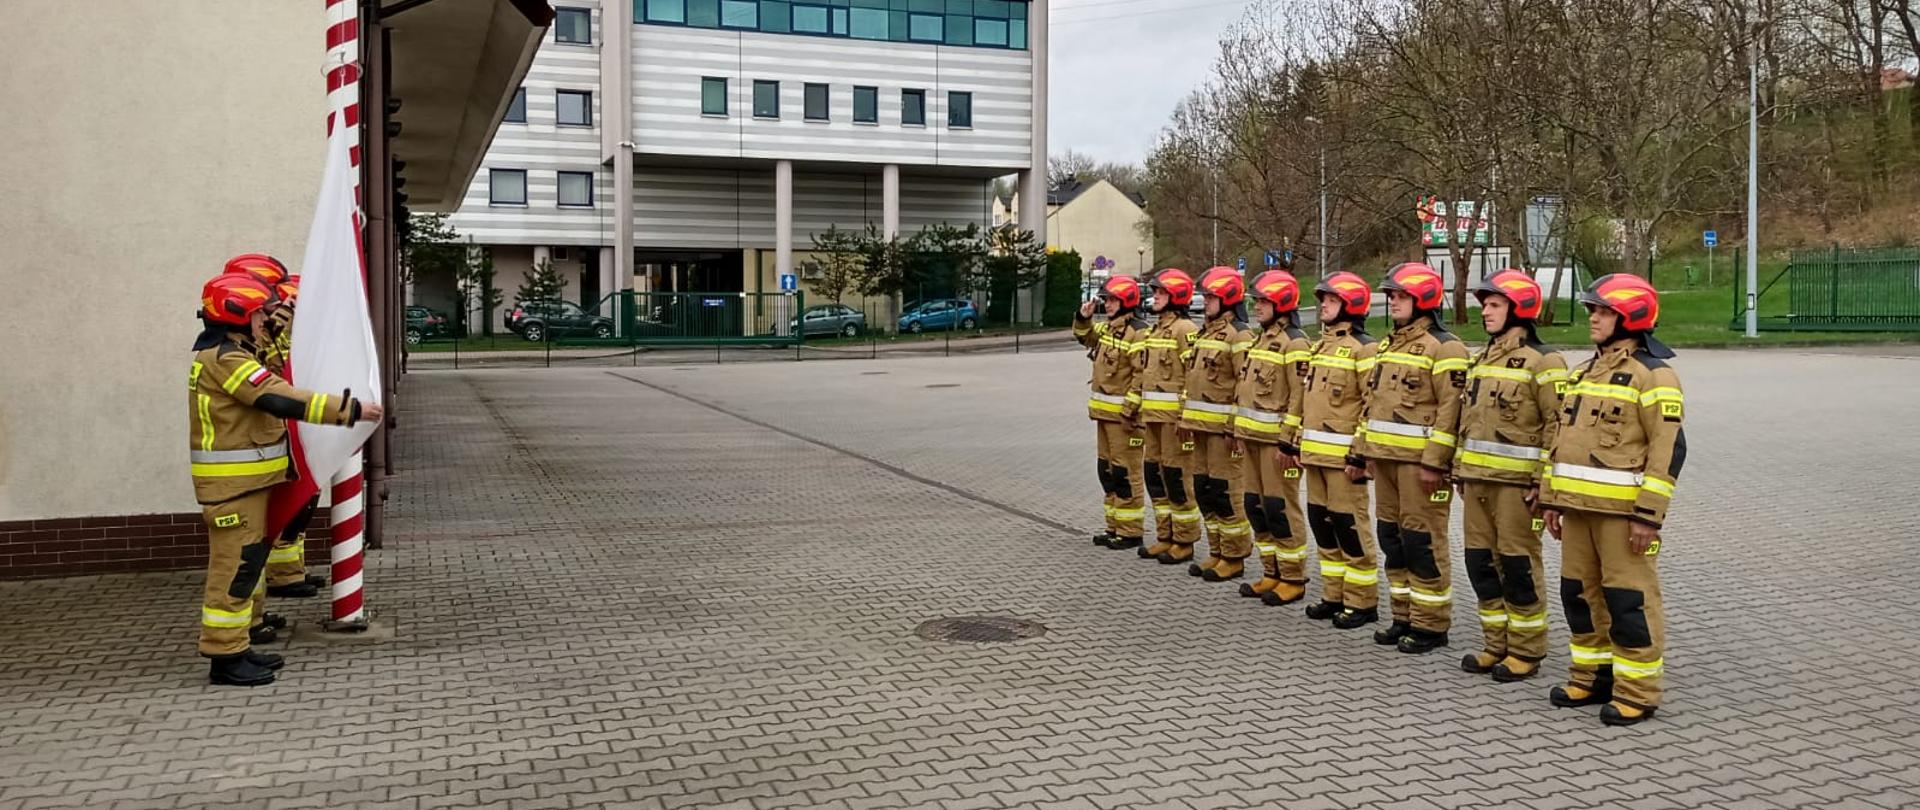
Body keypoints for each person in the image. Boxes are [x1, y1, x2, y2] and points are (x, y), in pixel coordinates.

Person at [189, 272, 381, 686]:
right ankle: (224, 657)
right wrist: (347, 411)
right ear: (236, 314)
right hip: (232, 489)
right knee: (233, 571)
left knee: (247, 566)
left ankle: (237, 646)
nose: (265, 320)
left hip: (245, 484)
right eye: (259, 314)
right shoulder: (226, 360)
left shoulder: (232, 353)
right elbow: (277, 396)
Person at [1540, 273, 1685, 726]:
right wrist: (1551, 499)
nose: (1593, 319)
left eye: (1602, 311)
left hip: (1623, 517)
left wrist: (1649, 517)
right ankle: (1591, 677)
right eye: (1593, 311)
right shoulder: (1583, 372)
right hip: (1578, 510)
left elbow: (1668, 451)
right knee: (1579, 597)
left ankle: (1638, 691)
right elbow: (1559, 440)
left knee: (1629, 601)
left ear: (1630, 316)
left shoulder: (1654, 375)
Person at [1453, 270, 1567, 681]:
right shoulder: (1482, 358)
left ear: (1518, 310)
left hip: (1517, 488)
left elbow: (1558, 427)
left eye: (1495, 304)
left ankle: (1526, 650)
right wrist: (1459, 472)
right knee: (1481, 564)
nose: (1485, 311)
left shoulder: (1545, 361)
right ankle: (1494, 643)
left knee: (1517, 566)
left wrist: (1544, 483)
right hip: (1478, 482)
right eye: (1485, 304)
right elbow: (1468, 421)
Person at [1352, 263, 1470, 653]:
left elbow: (1450, 411)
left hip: (1420, 467)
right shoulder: (1389, 345)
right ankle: (1402, 615)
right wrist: (1364, 451)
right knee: (1393, 540)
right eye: (1391, 296)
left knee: (1422, 542)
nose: (1393, 302)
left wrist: (1435, 463)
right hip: (1385, 461)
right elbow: (1372, 405)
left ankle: (1431, 624)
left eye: (1400, 296)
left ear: (1423, 300)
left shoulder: (1446, 347)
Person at [1279, 272, 1379, 625]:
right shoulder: (1321, 347)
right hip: (1314, 456)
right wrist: (1291, 443)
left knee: (1350, 528)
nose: (1323, 305)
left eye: (1331, 300)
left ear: (1350, 307)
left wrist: (1360, 454)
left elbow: (1372, 405)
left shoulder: (1364, 349)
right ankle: (1334, 596)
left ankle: (1363, 602)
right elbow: (1304, 401)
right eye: (1323, 299)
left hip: (1343, 462)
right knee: (1324, 527)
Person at [1231, 270, 1313, 605]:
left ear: (1280, 303)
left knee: (1280, 509)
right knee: (1257, 507)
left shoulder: (1295, 343)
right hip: (1251, 440)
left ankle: (1293, 577)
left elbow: (1299, 397)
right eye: (1256, 301)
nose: (1257, 307)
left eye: (1263, 301)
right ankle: (1271, 571)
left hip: (1275, 446)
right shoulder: (1260, 339)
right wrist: (1238, 431)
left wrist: (1289, 442)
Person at [253, 272, 329, 600]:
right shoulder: (265, 335)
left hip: (295, 426)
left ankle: (289, 571)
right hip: (280, 427)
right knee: (291, 504)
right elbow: (268, 369)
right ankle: (283, 575)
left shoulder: (293, 330)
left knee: (304, 504)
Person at [1177, 268, 1255, 581]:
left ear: (1227, 299)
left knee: (1226, 493)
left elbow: (1244, 384)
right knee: (1204, 491)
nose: (1205, 301)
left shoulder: (1240, 336)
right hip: (1200, 430)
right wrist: (1184, 416)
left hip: (1222, 433)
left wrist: (1234, 427)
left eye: (1211, 297)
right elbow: (1191, 380)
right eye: (1205, 296)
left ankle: (1234, 557)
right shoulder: (1205, 333)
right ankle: (1217, 550)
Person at [1130, 270, 1204, 563]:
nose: (1154, 296)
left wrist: (1185, 417)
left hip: (1174, 423)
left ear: (1175, 297)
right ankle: (1165, 535)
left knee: (1177, 479)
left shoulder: (1184, 330)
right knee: (1156, 478)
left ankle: (1184, 541)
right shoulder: (1156, 329)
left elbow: (1192, 376)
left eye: (1160, 292)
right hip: (1153, 420)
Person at [1073, 276, 1149, 550]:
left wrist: (1129, 411)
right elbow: (1086, 338)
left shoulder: (1138, 333)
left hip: (1125, 421)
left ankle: (1131, 531)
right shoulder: (1109, 329)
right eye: (1107, 299)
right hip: (1104, 417)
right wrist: (1083, 318)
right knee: (1107, 473)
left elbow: (1141, 377)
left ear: (1127, 302)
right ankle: (1114, 526)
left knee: (1125, 473)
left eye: (1113, 300)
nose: (1108, 303)